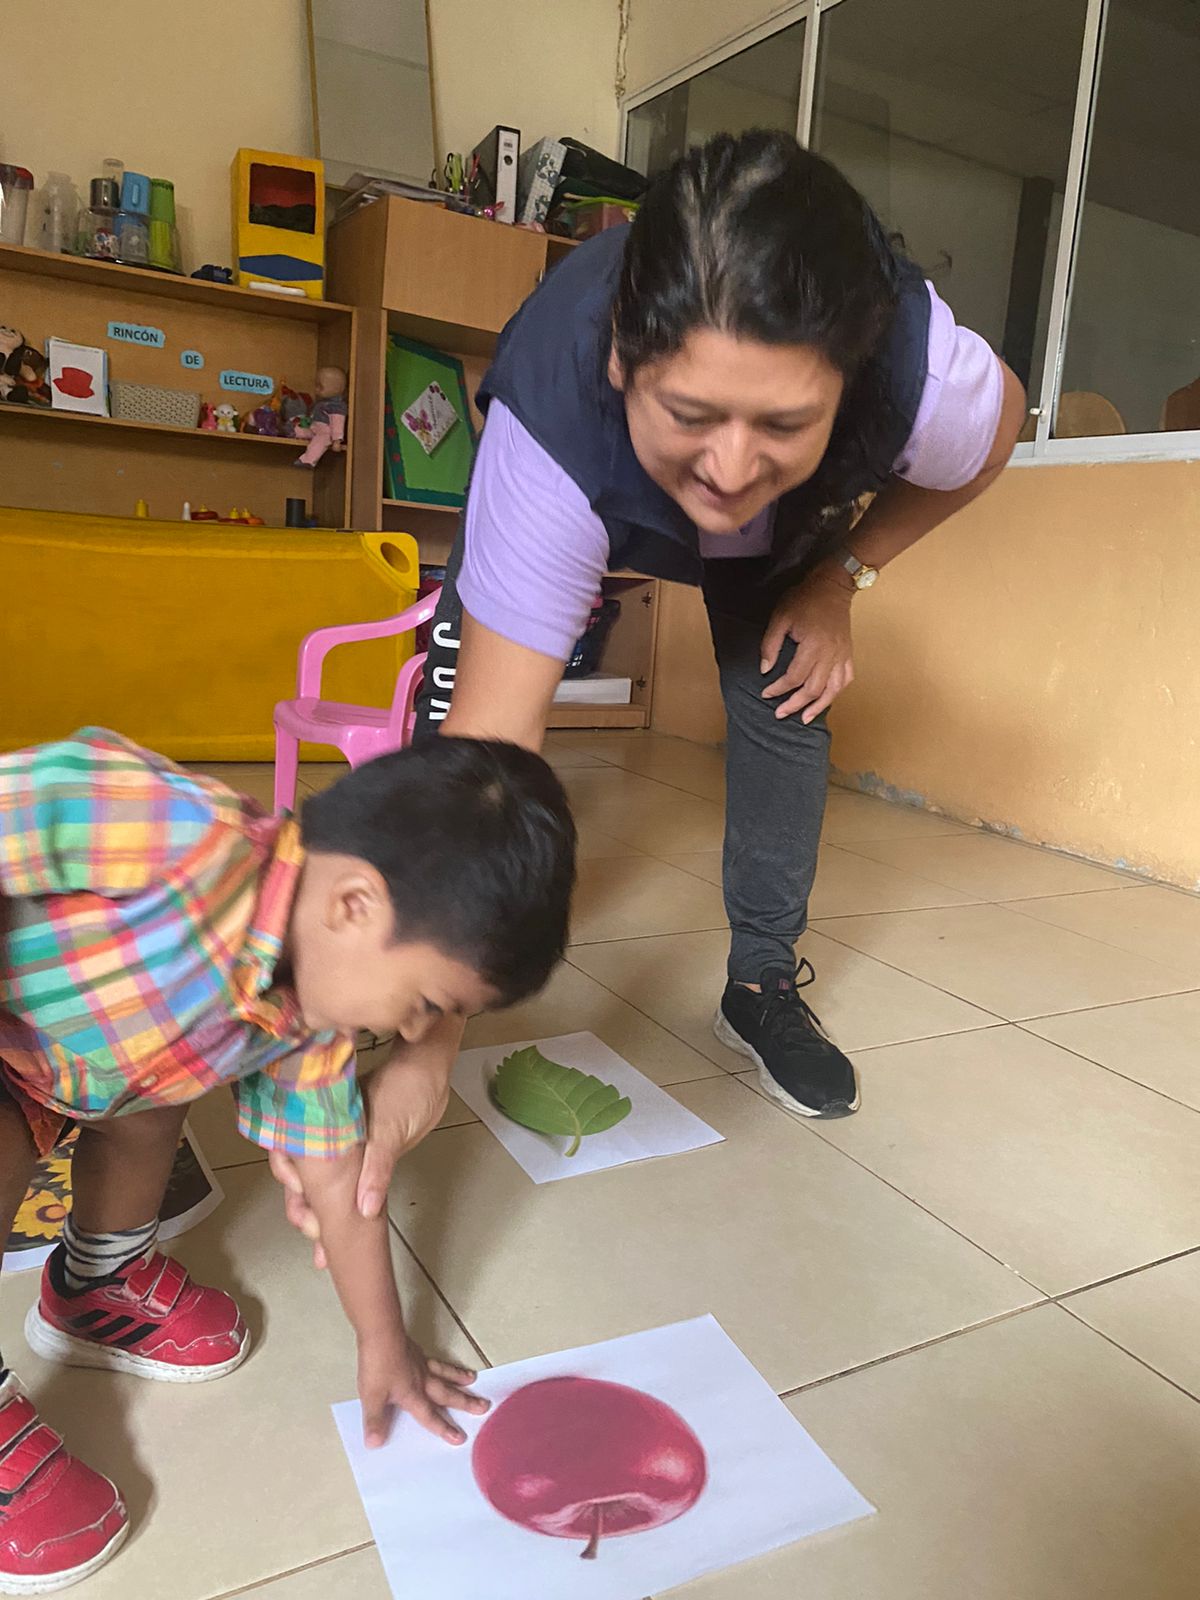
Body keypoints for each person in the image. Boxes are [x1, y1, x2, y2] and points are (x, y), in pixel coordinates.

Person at [278, 128, 1026, 1246]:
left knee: (786, 689)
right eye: (693, 414)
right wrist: (431, 1049)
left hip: (787, 540)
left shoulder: (920, 379)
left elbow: (999, 433)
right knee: (458, 746)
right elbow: (491, 764)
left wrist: (842, 577)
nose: (729, 467)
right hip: (595, 481)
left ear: (848, 381)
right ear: (626, 356)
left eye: (784, 422)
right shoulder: (552, 427)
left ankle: (761, 986)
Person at [0, 728, 574, 1592]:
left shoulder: (311, 1025)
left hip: (88, 1066)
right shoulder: (172, 832)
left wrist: (383, 1343)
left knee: (155, 1107)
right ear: (355, 904)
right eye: (425, 1003)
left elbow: (337, 1179)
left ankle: (97, 1281)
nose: (412, 1032)